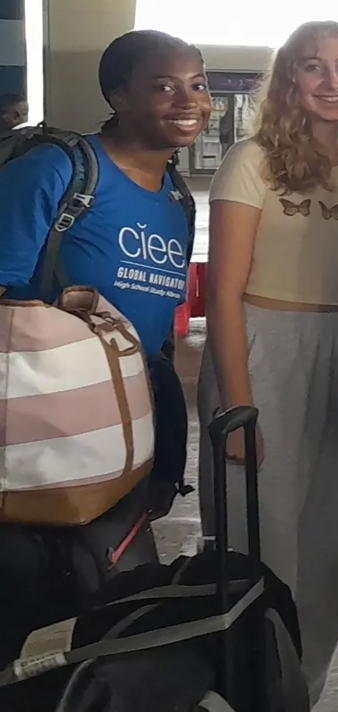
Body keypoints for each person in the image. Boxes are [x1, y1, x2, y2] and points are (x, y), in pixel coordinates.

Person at [197, 20, 338, 705]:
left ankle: (298, 691)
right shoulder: (251, 161)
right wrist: (239, 405)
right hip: (258, 341)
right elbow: (221, 293)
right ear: (288, 80)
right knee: (260, 540)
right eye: (314, 67)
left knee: (333, 546)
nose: (332, 80)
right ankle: (249, 687)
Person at [0, 28, 210, 545]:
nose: (189, 102)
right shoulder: (58, 171)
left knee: (115, 596)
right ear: (118, 97)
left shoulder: (177, 201)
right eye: (164, 86)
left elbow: (159, 330)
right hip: (42, 436)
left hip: (131, 430)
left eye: (198, 85)